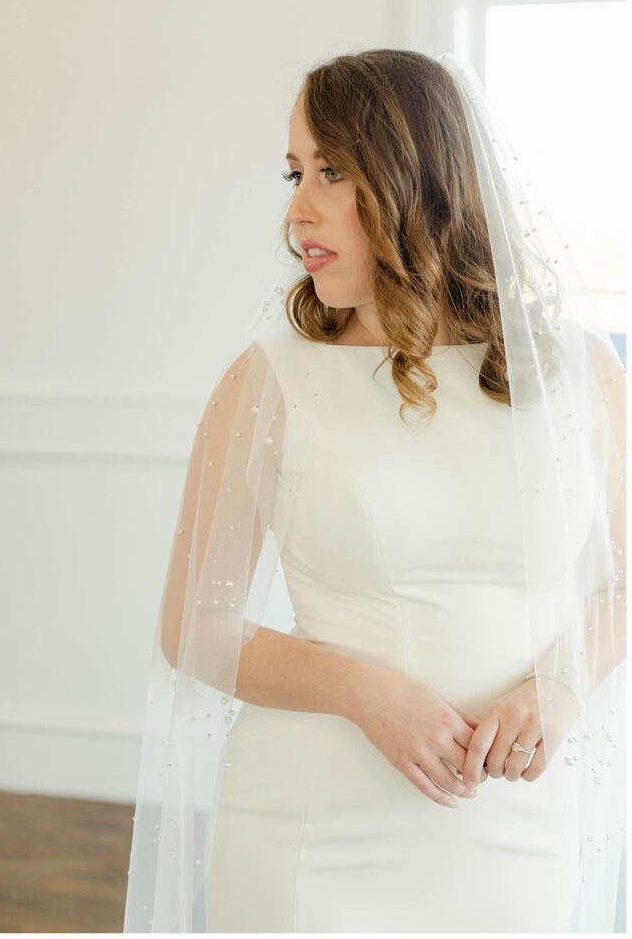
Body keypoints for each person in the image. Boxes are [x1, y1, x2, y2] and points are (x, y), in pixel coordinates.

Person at [124, 50, 625, 933]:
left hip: (514, 835)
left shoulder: (580, 372)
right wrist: (365, 692)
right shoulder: (268, 380)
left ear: (416, 179)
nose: (296, 209)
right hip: (313, 833)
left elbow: (618, 582)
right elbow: (192, 627)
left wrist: (558, 685)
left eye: (331, 171)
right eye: (294, 173)